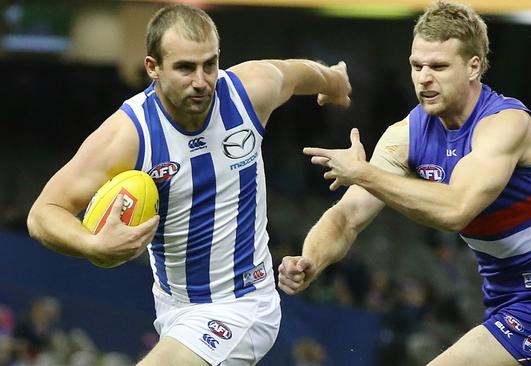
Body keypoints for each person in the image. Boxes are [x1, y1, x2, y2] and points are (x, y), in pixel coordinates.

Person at [26, 4, 351, 365]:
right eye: (184, 67)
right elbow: (43, 213)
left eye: (209, 64)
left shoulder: (248, 92)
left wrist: (335, 81)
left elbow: (298, 73)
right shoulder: (129, 135)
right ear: (153, 68)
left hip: (244, 305)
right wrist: (91, 244)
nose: (201, 80)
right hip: (172, 310)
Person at [278, 1, 531, 365]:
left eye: (439, 66)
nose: (424, 77)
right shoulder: (406, 136)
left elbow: (456, 209)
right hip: (503, 299)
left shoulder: (506, 125)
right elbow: (347, 216)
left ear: (474, 66)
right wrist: (310, 260)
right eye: (417, 65)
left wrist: (365, 173)